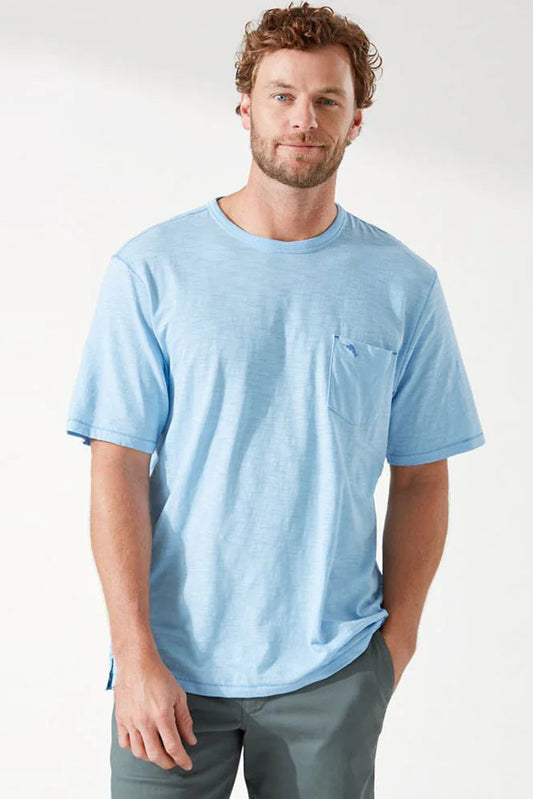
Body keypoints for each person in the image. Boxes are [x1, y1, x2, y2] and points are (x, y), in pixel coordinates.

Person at [65, 3, 486, 797]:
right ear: (244, 107)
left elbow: (422, 476)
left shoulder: (402, 285)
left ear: (356, 120)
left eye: (328, 99)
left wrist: (393, 649)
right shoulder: (153, 271)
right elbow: (116, 466)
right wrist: (135, 653)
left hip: (331, 671)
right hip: (169, 671)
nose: (304, 118)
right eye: (282, 95)